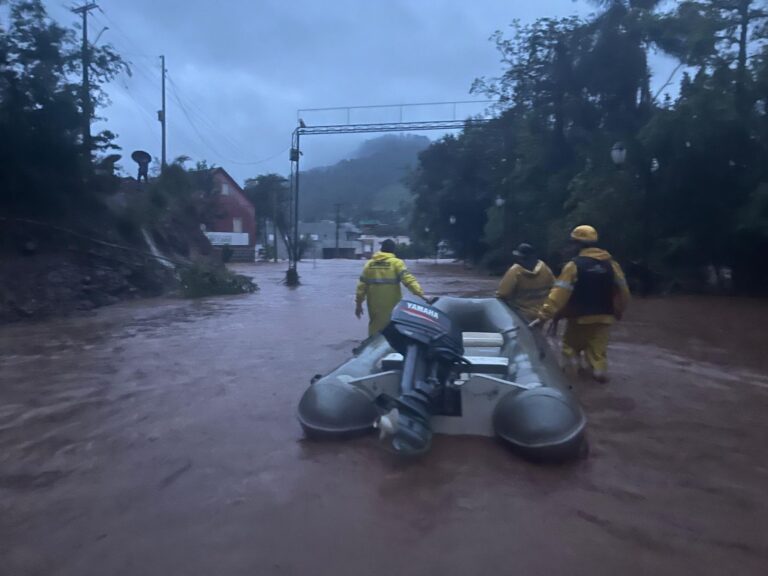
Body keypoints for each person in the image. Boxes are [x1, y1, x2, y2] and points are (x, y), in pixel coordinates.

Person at [533, 225, 630, 383]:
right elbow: (624, 291)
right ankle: (598, 372)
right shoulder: (612, 265)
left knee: (570, 348)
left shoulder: (573, 266)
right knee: (598, 353)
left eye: (572, 243)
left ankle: (574, 383)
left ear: (577, 244)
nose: (570, 247)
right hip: (604, 317)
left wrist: (544, 315)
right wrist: (620, 309)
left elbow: (558, 294)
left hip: (579, 317)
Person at [355, 239, 426, 336]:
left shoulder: (369, 264)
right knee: (391, 330)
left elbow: (361, 288)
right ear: (393, 250)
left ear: (381, 249)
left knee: (375, 329)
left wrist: (358, 305)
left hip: (374, 306)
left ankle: (371, 348)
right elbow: (409, 280)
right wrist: (422, 295)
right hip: (393, 306)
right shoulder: (397, 263)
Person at [495, 243, 555, 322]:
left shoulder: (515, 271)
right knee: (537, 334)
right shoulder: (544, 268)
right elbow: (555, 289)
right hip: (540, 315)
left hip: (521, 316)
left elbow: (502, 294)